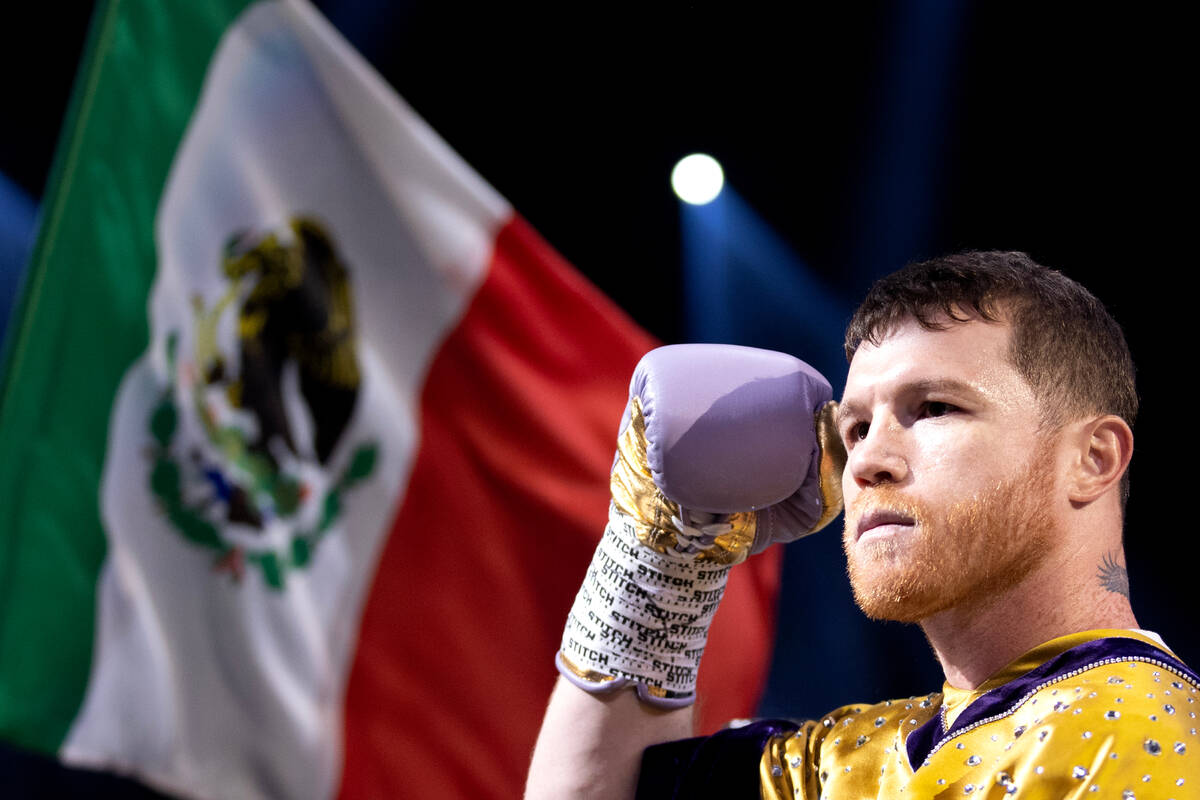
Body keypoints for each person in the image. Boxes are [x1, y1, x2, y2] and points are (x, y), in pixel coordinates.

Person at [525, 251, 1198, 799]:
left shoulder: (1150, 740)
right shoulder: (840, 758)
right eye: (855, 427)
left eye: (933, 407)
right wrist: (661, 560)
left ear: (1093, 458)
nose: (867, 459)